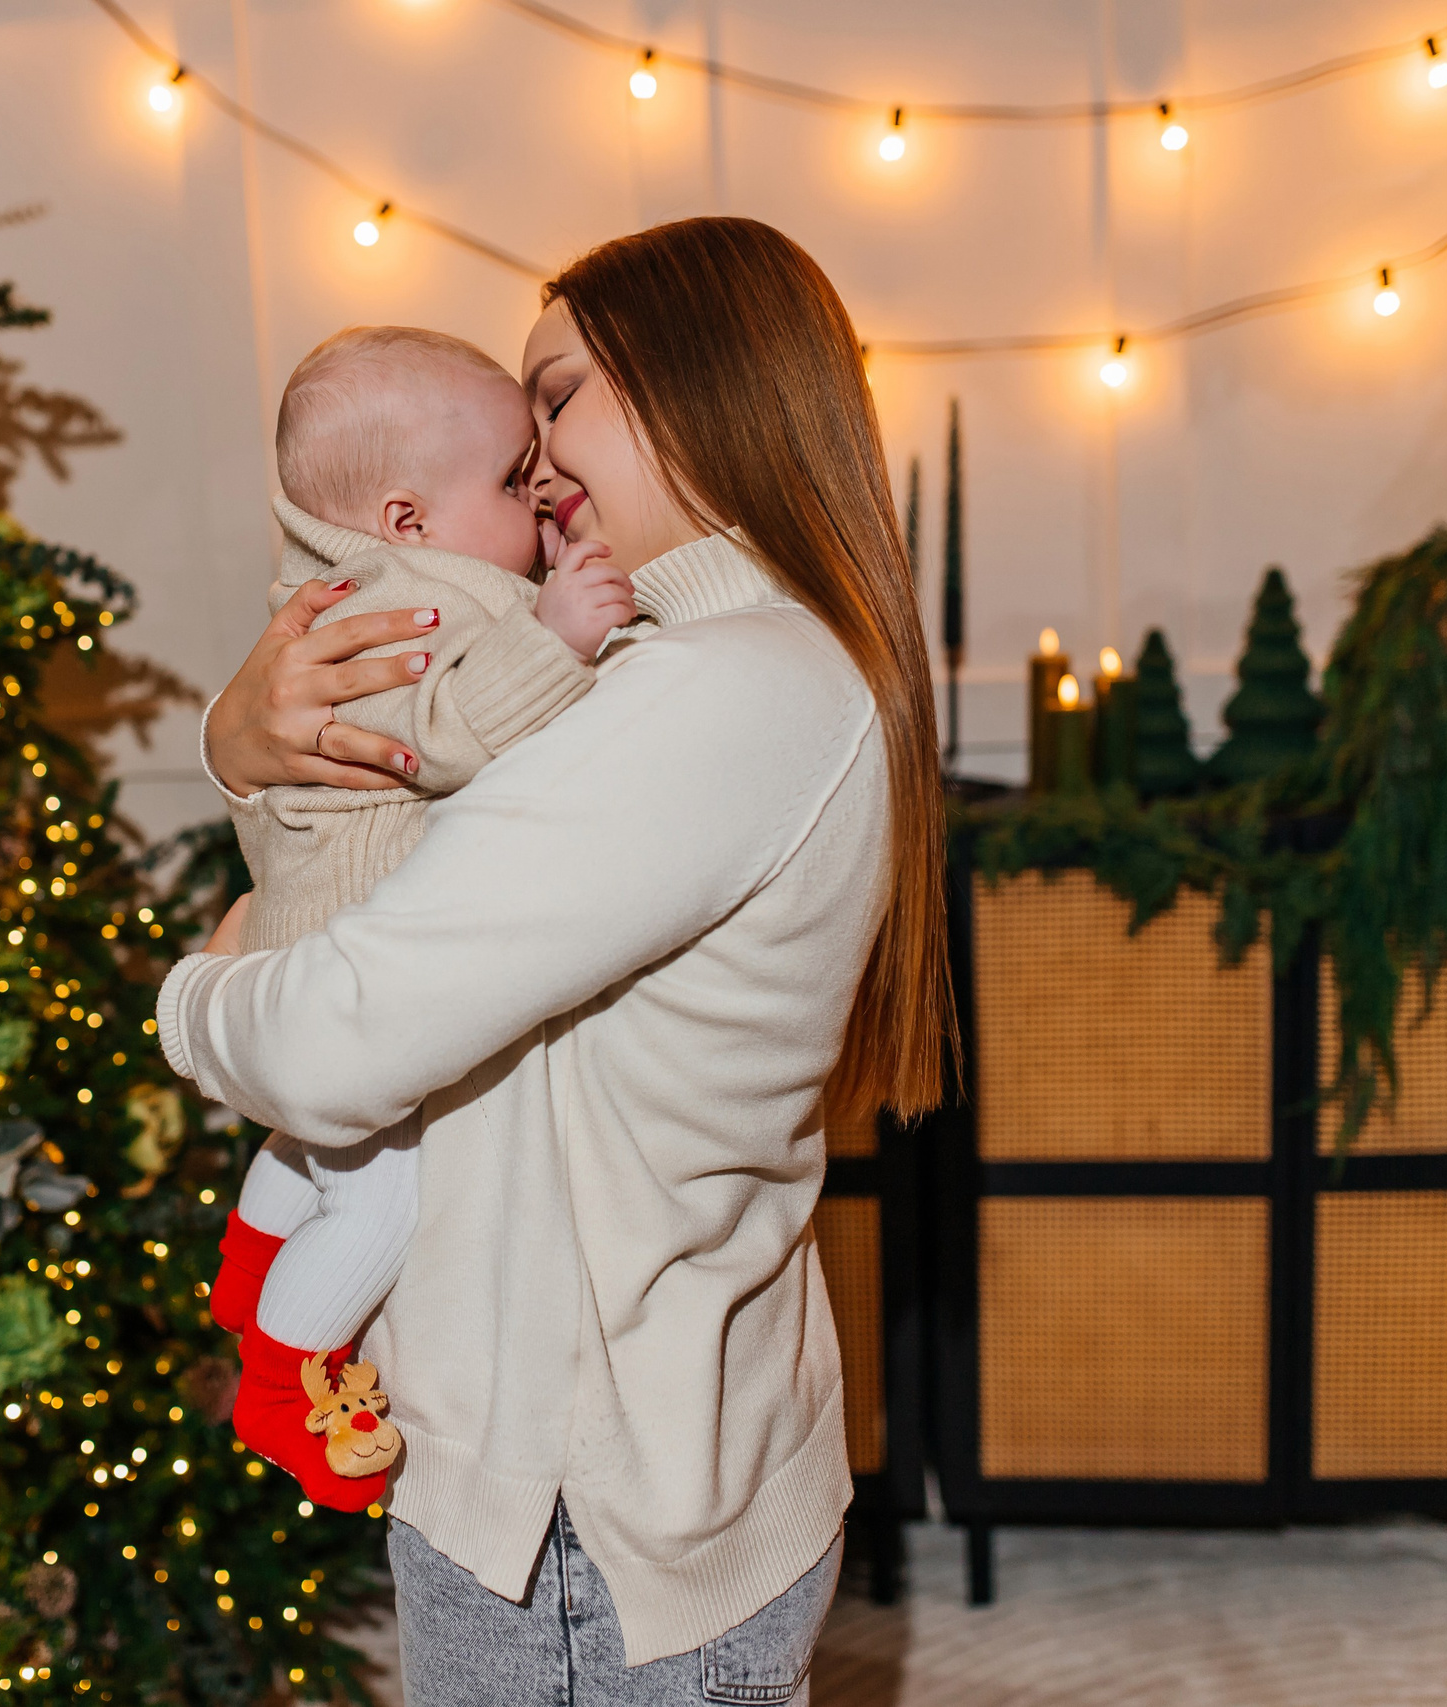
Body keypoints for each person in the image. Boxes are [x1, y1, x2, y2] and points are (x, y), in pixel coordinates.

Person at [168, 216, 951, 1704]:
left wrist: (189, 997)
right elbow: (399, 854)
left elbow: (338, 1038)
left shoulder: (718, 694)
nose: (531, 457)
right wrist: (243, 745)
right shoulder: (687, 670)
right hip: (603, 1466)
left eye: (557, 392)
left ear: (687, 384)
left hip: (581, 1507)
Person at [211, 324, 634, 1514]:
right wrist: (556, 637)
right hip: (361, 964)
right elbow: (442, 738)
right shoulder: (425, 608)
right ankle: (288, 1375)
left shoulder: (353, 588)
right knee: (385, 1192)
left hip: (314, 940)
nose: (542, 493)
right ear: (408, 521)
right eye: (512, 480)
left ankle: (248, 1279)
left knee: (311, 1154)